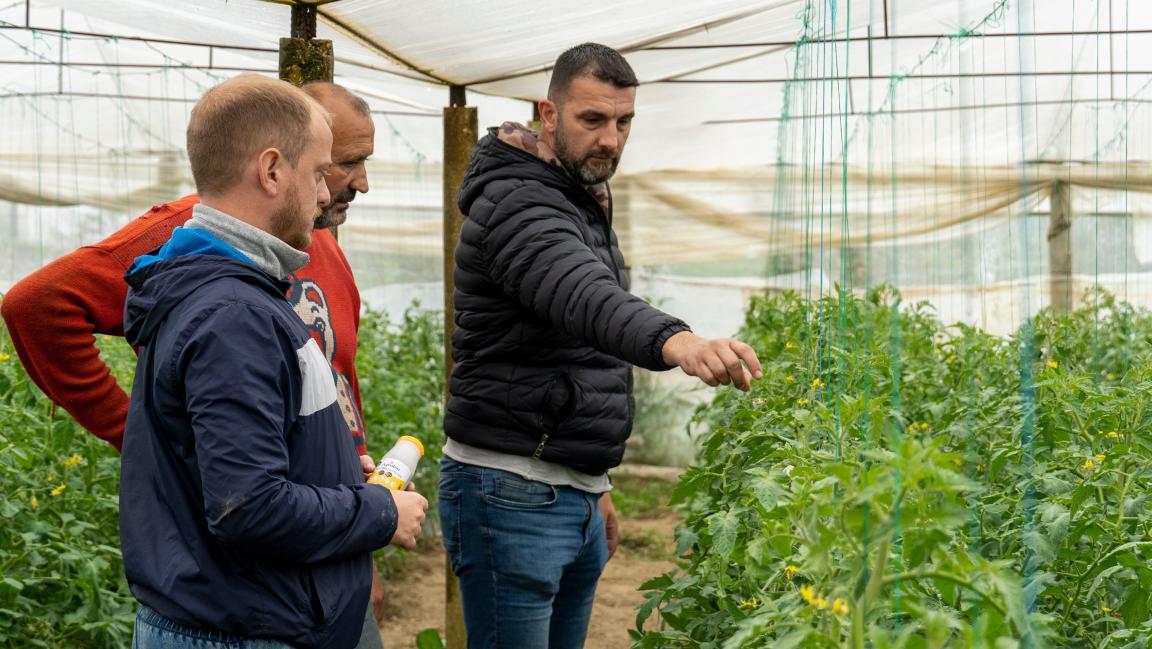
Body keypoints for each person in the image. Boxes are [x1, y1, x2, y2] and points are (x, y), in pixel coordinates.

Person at [0, 82, 394, 647]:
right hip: (252, 593)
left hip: (323, 548)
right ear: (273, 168)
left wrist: (359, 533)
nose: (353, 183)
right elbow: (37, 305)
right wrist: (138, 434)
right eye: (335, 165)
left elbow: (330, 382)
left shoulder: (305, 242)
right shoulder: (201, 243)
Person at [440, 43, 763, 648]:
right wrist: (678, 341)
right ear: (549, 114)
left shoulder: (575, 198)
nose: (611, 140)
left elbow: (577, 353)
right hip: (512, 491)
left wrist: (595, 485)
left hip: (564, 486)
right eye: (592, 120)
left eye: (624, 122)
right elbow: (581, 294)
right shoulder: (517, 199)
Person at [117, 75, 427, 649]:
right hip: (243, 629)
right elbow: (250, 507)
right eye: (318, 173)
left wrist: (330, 467)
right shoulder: (232, 313)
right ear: (272, 170)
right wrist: (379, 512)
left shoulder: (238, 291)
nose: (327, 194)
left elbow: (243, 462)